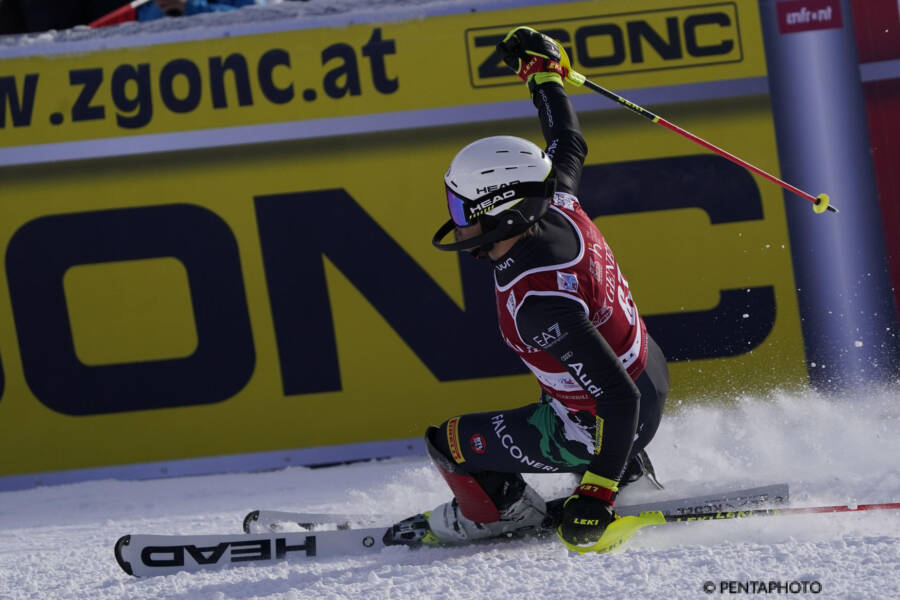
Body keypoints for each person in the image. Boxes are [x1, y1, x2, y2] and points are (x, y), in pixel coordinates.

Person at [398, 27, 669, 553]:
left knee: (449, 445)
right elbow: (567, 143)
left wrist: (596, 495)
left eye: (462, 211)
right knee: (565, 379)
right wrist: (544, 76)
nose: (457, 225)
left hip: (617, 411)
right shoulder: (557, 201)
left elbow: (617, 398)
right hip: (644, 370)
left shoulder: (538, 302)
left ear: (501, 212)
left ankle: (500, 515)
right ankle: (626, 467)